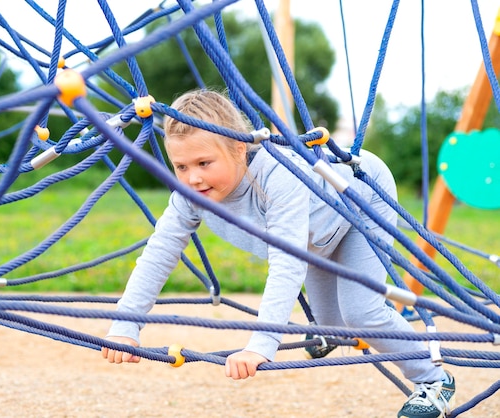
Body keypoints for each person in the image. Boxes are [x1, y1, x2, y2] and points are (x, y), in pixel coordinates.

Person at [101, 89, 455, 418]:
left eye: (204, 163)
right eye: (181, 167)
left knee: (361, 313)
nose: (192, 178)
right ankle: (335, 331)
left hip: (360, 199)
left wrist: (261, 344)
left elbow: (287, 262)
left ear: (239, 149)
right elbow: (159, 253)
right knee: (332, 324)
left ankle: (434, 379)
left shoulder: (278, 176)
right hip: (316, 233)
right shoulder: (191, 196)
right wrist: (125, 325)